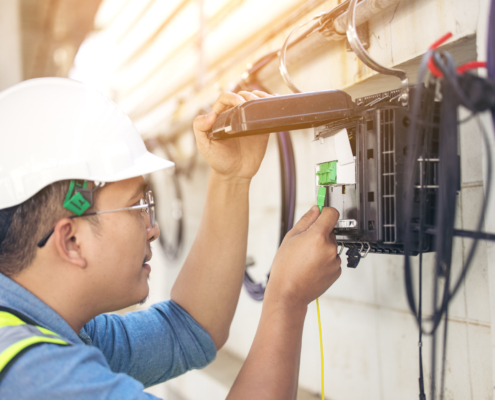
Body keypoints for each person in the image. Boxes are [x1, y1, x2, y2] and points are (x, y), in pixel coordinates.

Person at [0, 77, 341, 399]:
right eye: (137, 206)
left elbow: (189, 329)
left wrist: (232, 177)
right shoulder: (39, 378)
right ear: (72, 241)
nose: (153, 228)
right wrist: (287, 299)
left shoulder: (44, 330)